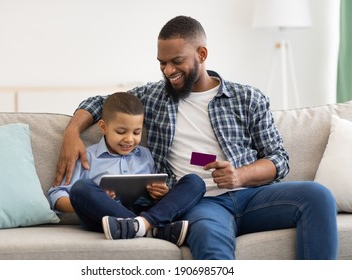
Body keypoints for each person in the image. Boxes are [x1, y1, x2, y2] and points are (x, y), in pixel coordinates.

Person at [54, 16, 338, 259]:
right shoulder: (153, 97)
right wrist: (71, 131)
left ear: (201, 54)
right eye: (162, 63)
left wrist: (239, 176)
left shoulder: (247, 97)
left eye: (176, 61)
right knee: (210, 241)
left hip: (252, 196)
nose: (168, 71)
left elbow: (279, 160)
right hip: (197, 202)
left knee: (318, 196)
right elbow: (101, 102)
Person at [48, 91, 205, 246]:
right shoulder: (87, 156)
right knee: (81, 187)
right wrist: (100, 199)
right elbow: (56, 196)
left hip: (145, 211)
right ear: (103, 127)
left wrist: (161, 193)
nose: (129, 139)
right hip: (104, 219)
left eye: (136, 132)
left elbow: (158, 189)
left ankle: (140, 226)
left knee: (195, 182)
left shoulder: (146, 155)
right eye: (121, 132)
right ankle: (150, 228)